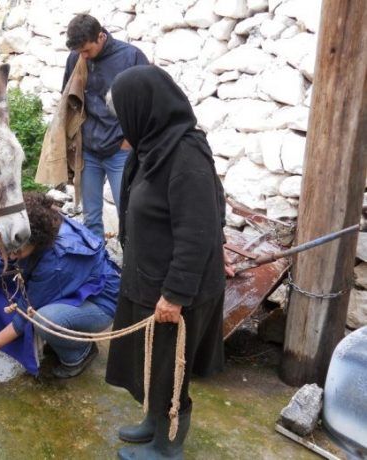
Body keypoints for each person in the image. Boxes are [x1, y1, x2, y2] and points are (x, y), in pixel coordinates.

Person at [104, 65, 230, 459]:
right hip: (148, 281)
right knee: (150, 366)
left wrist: (175, 294)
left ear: (145, 109)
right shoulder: (152, 148)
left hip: (176, 293)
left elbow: (199, 229)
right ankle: (152, 423)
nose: (121, 126)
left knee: (171, 373)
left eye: (124, 116)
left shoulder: (185, 155)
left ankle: (167, 446)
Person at [0, 192, 120, 378]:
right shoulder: (16, 232)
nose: (7, 256)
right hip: (67, 287)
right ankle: (53, 340)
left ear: (37, 243)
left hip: (99, 303)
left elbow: (26, 315)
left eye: (16, 252)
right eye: (3, 247)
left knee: (44, 319)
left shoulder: (57, 260)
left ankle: (80, 353)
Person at [62, 14, 149, 240]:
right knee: (90, 217)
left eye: (87, 50)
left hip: (121, 151)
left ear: (101, 36)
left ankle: (131, 269)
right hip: (89, 151)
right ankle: (96, 266)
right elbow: (68, 101)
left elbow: (148, 102)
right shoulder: (76, 59)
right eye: (79, 51)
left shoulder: (131, 57)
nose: (83, 56)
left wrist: (129, 141)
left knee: (129, 214)